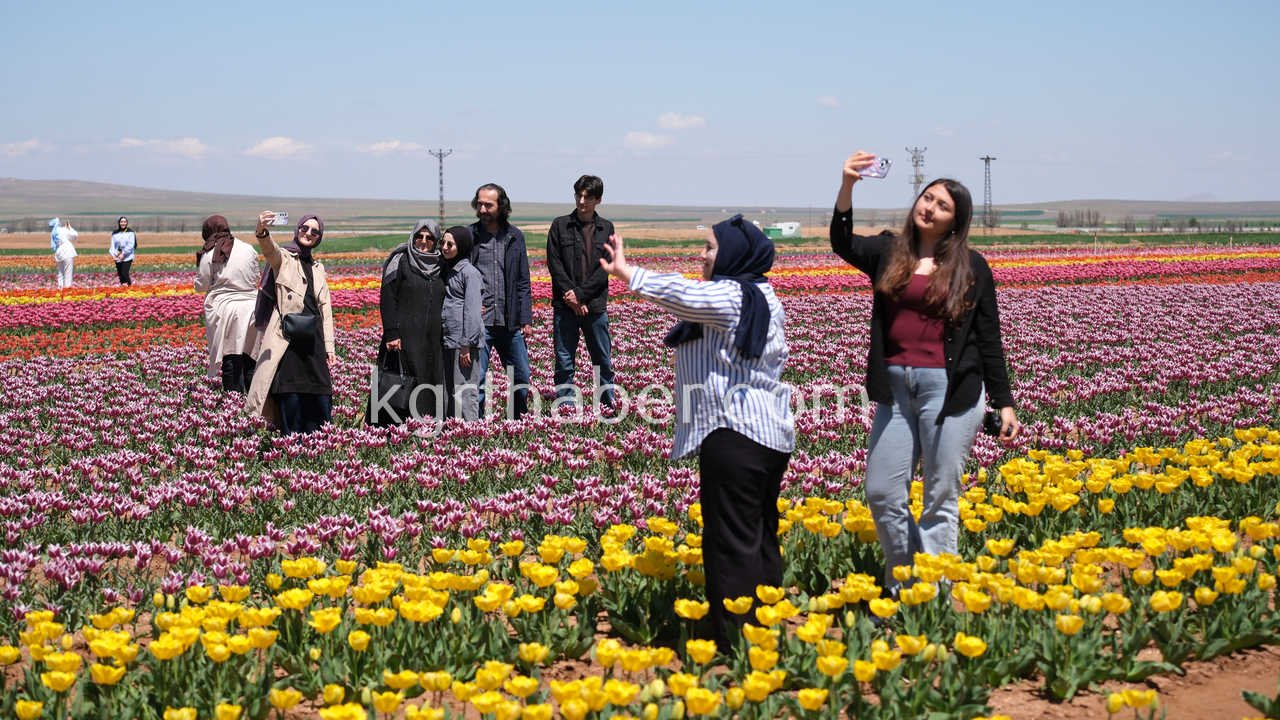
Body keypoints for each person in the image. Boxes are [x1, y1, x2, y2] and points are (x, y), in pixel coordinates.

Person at [598, 215, 795, 652]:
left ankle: (735, 638)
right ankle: (764, 624)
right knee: (758, 532)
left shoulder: (732, 297)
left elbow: (682, 294)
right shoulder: (761, 294)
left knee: (731, 539)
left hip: (735, 432)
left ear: (734, 254)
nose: (701, 255)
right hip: (767, 434)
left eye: (709, 248)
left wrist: (628, 272)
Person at [830, 151, 1021, 593]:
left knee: (939, 498)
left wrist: (1004, 401)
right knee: (881, 492)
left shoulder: (972, 268)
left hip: (951, 392)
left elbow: (988, 338)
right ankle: (909, 577)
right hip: (895, 389)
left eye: (941, 205)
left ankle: (930, 597)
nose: (928, 207)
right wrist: (847, 186)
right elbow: (842, 243)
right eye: (926, 197)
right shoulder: (887, 251)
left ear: (955, 221)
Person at [246, 212, 336, 435]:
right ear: (297, 230)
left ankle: (317, 445)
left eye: (315, 231)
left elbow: (326, 310)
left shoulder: (318, 269)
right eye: (305, 228)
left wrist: (329, 346)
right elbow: (269, 250)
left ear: (319, 237)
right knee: (291, 395)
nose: (309, 233)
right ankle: (290, 447)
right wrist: (262, 231)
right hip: (287, 339)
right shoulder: (284, 259)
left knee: (320, 395)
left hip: (313, 341)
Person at [546, 175, 618, 410]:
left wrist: (581, 296)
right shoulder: (560, 225)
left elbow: (605, 267)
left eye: (588, 196)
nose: (582, 200)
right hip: (565, 306)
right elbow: (555, 264)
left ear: (598, 199)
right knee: (564, 361)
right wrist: (572, 296)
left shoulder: (606, 228)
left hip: (595, 306)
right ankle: (566, 408)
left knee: (602, 360)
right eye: (579, 194)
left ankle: (608, 406)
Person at [370, 220, 447, 426]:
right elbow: (387, 297)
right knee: (399, 382)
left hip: (432, 340)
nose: (423, 241)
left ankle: (426, 428)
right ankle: (391, 431)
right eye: (419, 236)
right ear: (412, 238)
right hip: (403, 337)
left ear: (436, 241)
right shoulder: (400, 260)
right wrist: (392, 333)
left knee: (428, 382)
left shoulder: (442, 264)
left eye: (429, 237)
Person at [469, 183, 533, 419]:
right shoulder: (470, 235)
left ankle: (517, 421)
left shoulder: (515, 237)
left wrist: (525, 317)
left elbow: (523, 281)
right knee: (477, 379)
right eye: (480, 204)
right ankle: (476, 426)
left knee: (521, 375)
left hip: (510, 320)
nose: (483, 209)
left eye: (489, 204)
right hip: (480, 321)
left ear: (501, 206)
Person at [195, 215, 261, 392]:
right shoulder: (248, 248)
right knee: (250, 356)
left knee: (230, 355)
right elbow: (256, 276)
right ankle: (253, 402)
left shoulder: (210, 253)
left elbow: (201, 285)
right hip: (252, 307)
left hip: (226, 309)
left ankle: (234, 400)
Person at [440, 225, 484, 420]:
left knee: (465, 391)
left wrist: (466, 343)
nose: (445, 247)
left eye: (451, 244)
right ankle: (453, 434)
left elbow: (473, 311)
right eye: (443, 243)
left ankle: (471, 432)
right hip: (448, 339)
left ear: (462, 245)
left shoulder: (470, 273)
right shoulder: (448, 269)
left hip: (463, 343)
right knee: (449, 391)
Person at [49, 217, 78, 289]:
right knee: (68, 271)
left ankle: (60, 288)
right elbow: (75, 235)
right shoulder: (62, 230)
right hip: (67, 252)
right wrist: (69, 227)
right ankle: (67, 289)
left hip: (59, 253)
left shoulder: (54, 232)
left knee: (60, 272)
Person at [109, 216, 137, 286]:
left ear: (126, 223)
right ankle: (123, 289)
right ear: (119, 223)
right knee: (120, 274)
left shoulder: (131, 232)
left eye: (124, 222)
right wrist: (114, 255)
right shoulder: (115, 233)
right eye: (121, 222)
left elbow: (131, 245)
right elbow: (112, 245)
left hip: (127, 256)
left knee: (125, 273)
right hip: (117, 257)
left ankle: (129, 287)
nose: (123, 223)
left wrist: (123, 254)